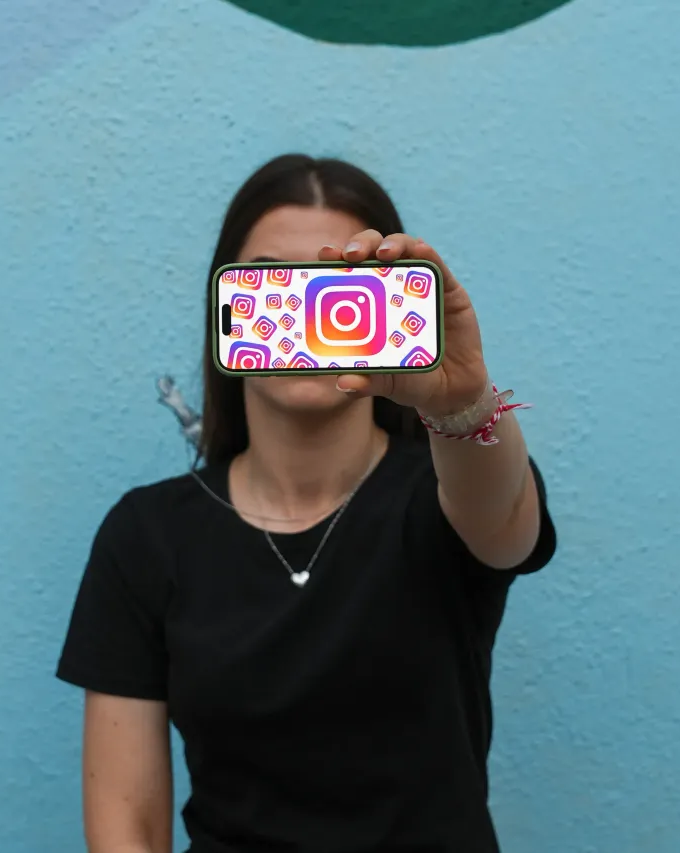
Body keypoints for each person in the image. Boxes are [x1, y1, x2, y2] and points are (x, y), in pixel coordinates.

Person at [56, 154, 558, 853]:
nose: (307, 310)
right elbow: (126, 827)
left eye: (337, 286)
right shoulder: (146, 536)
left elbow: (504, 517)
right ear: (223, 308)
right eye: (270, 281)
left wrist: (463, 402)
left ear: (389, 307)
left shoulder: (442, 497)